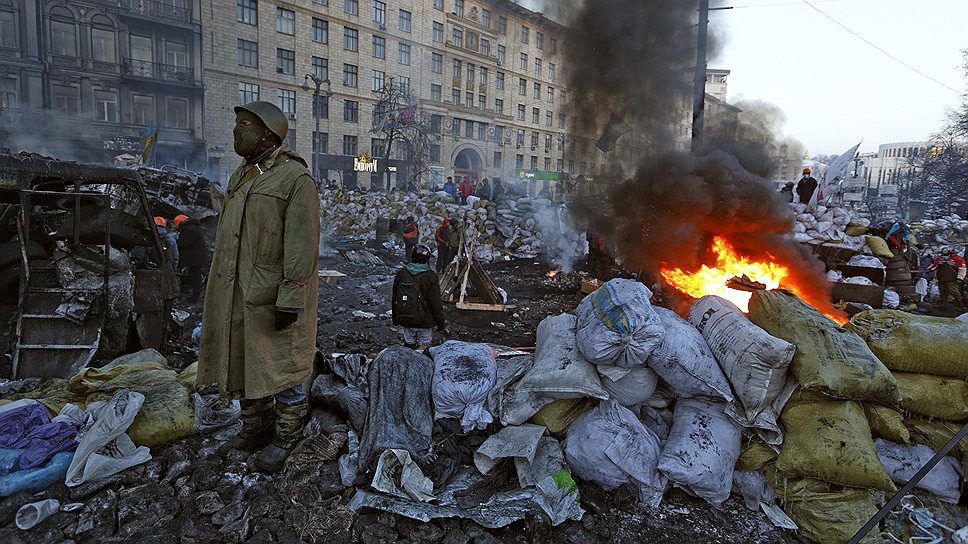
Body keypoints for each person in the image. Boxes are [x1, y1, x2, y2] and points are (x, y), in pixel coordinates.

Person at [199, 100, 320, 472]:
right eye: (237, 123)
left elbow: (302, 245)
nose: (237, 130)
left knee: (282, 366)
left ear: (270, 132)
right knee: (240, 361)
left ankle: (286, 436)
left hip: (272, 295)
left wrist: (291, 295)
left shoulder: (294, 179)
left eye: (246, 124)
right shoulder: (241, 176)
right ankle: (254, 428)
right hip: (236, 292)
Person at [392, 244, 446, 349]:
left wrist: (396, 319)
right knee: (423, 350)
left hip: (406, 319)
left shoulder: (401, 274)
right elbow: (436, 303)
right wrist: (440, 324)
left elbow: (395, 298)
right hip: (425, 322)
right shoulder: (431, 276)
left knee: (408, 347)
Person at [174, 213, 207, 298]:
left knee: (196, 276)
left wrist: (175, 242)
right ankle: (195, 294)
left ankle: (195, 296)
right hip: (195, 257)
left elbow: (185, 243)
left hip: (195, 258)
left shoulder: (191, 230)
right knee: (195, 276)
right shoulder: (193, 228)